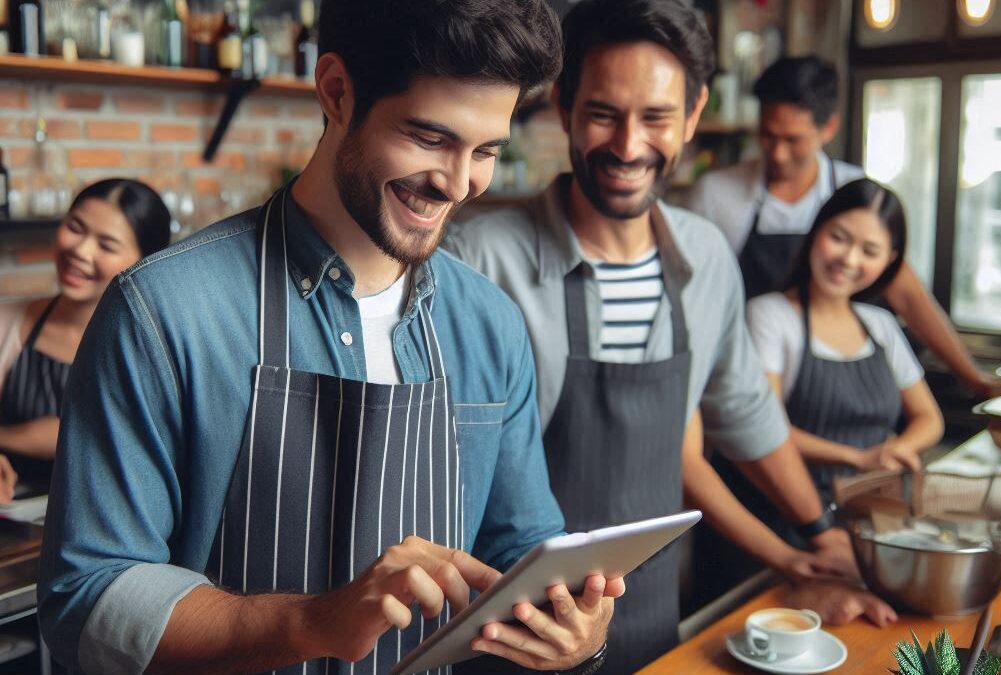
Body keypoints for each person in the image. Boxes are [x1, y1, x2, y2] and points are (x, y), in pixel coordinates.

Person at [38, 2, 621, 674]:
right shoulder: (162, 312)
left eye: (486, 150)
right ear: (338, 92)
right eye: (431, 138)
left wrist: (575, 623)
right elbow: (87, 596)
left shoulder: (489, 323)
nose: (458, 184)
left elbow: (523, 544)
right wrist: (312, 620)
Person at [445, 2, 862, 671]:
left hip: (650, 616)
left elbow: (745, 411)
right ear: (564, 107)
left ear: (693, 116)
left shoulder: (705, 258)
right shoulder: (478, 260)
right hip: (510, 629)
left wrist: (819, 530)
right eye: (605, 113)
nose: (629, 145)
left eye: (657, 117)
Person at [686, 56, 1001, 400]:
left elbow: (908, 294)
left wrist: (975, 379)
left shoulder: (855, 192)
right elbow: (693, 301)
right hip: (751, 380)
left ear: (828, 128)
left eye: (793, 140)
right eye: (768, 136)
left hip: (842, 384)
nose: (779, 154)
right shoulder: (715, 195)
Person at [746, 178, 944, 505]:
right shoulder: (769, 316)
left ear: (889, 260)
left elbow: (929, 419)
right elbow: (766, 429)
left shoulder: (880, 325)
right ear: (816, 232)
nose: (849, 260)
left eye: (869, 251)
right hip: (790, 507)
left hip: (874, 507)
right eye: (838, 238)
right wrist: (858, 458)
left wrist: (895, 450)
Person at [0, 178, 171, 493]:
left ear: (143, 262)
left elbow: (100, 431)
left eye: (106, 245)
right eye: (75, 227)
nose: (80, 250)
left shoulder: (155, 347)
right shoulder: (8, 323)